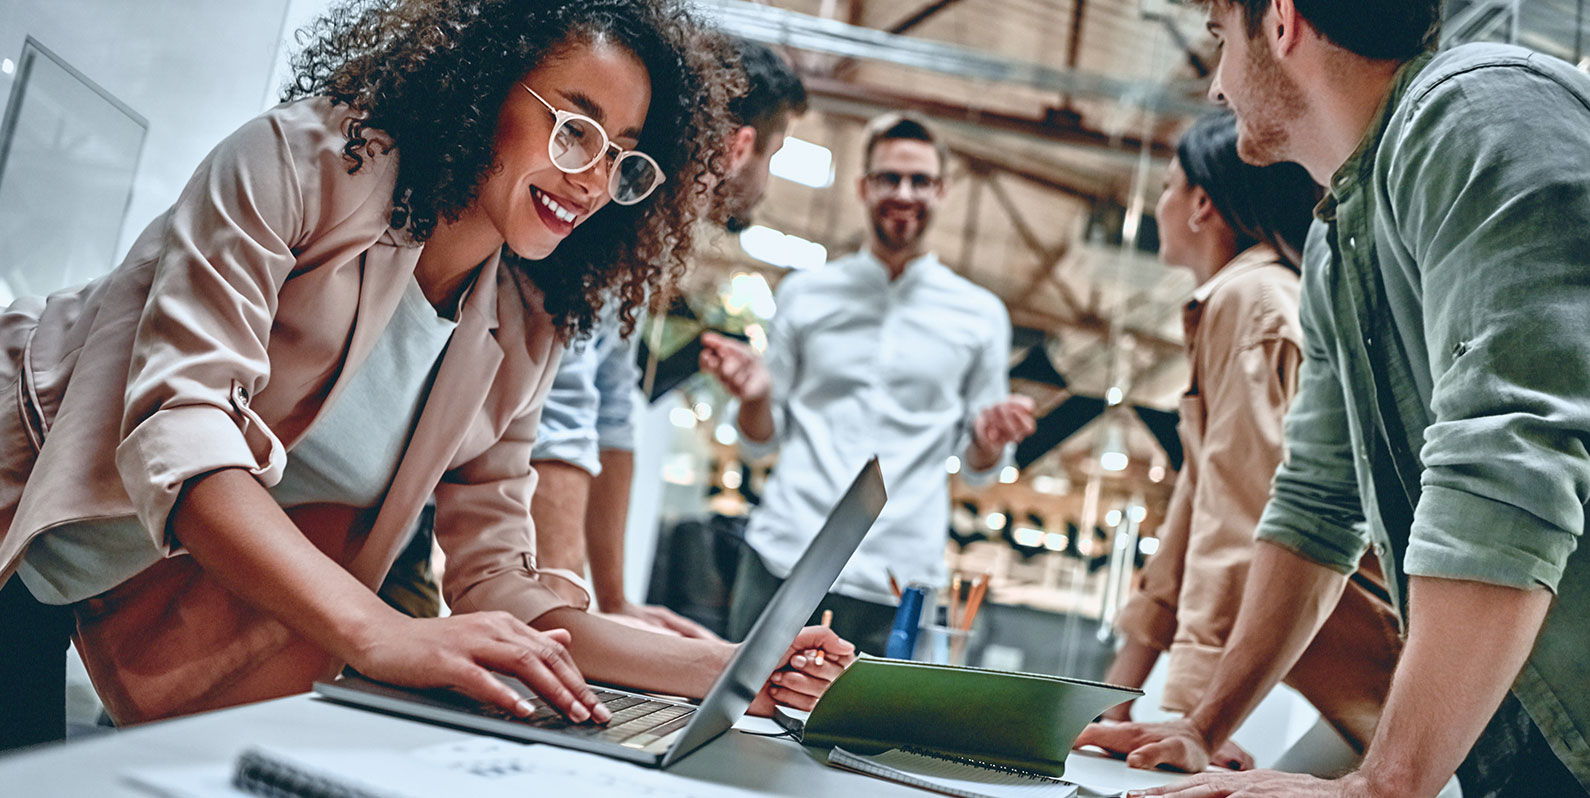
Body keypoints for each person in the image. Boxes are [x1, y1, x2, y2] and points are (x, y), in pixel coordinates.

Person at [0, 0, 851, 752]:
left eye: (622, 157)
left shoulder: (523, 321)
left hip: (136, 584)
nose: (591, 179)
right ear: (482, 86)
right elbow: (182, 433)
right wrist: (379, 633)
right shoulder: (298, 164)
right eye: (575, 129)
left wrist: (732, 667)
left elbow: (500, 581)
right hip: (20, 508)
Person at [1076, 1, 1590, 796]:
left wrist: (1382, 784)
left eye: (1220, 37)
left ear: (1280, 22)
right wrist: (1201, 730)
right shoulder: (1335, 238)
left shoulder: (1483, 114)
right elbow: (1315, 502)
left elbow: (1506, 463)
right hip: (1528, 739)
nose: (1216, 87)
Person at [1094, 112, 1400, 773]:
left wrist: (1194, 719)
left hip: (1381, 661)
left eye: (1169, 185)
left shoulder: (1251, 301)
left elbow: (1240, 514)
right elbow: (1192, 510)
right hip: (1352, 670)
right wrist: (1115, 697)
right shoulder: (1236, 302)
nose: (1159, 203)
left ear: (1204, 203)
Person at [701, 113, 1037, 656]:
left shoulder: (982, 316)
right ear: (862, 187)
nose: (904, 193)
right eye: (889, 178)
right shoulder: (806, 294)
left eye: (920, 180)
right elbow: (760, 439)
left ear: (942, 191)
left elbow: (980, 471)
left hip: (899, 577)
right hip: (786, 555)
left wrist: (989, 440)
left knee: (868, 740)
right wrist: (757, 397)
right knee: (741, 721)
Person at [521, 38, 809, 637]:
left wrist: (615, 600)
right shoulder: (613, 206)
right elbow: (565, 409)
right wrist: (572, 621)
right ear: (740, 146)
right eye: (774, 156)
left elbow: (612, 407)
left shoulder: (649, 234)